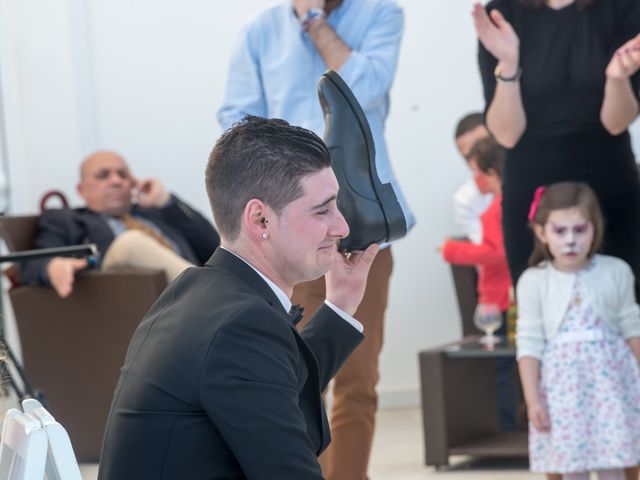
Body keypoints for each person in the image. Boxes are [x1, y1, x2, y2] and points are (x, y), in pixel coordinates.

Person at [98, 116, 379, 479]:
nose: (342, 227)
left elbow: (275, 382)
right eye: (323, 209)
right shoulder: (242, 325)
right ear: (260, 219)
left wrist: (340, 305)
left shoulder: (199, 294)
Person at [217, 1, 414, 478]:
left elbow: (365, 88)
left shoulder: (381, 14)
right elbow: (235, 120)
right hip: (289, 232)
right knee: (294, 379)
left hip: (363, 224)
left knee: (357, 379)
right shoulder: (259, 29)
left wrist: (316, 24)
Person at [472, 0, 640, 304]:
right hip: (532, 194)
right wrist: (509, 65)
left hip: (610, 186)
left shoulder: (623, 8)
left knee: (625, 312)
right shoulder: (503, 13)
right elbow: (506, 134)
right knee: (542, 316)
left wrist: (618, 78)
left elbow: (616, 123)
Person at [517, 181, 640, 480]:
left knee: (615, 464)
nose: (570, 240)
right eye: (560, 231)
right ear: (541, 232)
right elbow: (529, 344)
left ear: (594, 228)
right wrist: (533, 401)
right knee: (572, 468)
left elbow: (631, 328)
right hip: (563, 397)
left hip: (613, 391)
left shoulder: (616, 271)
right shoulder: (534, 281)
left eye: (580, 230)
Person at [19, 151, 220, 297]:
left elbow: (214, 245)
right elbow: (31, 262)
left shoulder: (152, 214)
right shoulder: (67, 219)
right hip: (119, 297)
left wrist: (165, 202)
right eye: (103, 175)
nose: (116, 181)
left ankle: (214, 295)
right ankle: (214, 297)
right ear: (81, 190)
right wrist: (50, 266)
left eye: (123, 175)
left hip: (177, 299)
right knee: (131, 242)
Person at [440, 136, 517, 432]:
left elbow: (496, 252)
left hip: (499, 299)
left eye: (478, 172)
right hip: (502, 297)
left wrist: (452, 251)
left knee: (499, 368)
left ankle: (505, 428)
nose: (475, 179)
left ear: (493, 174)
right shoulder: (510, 203)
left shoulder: (498, 209)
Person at [453, 112, 493, 244]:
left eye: (483, 145)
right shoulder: (464, 200)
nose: (477, 160)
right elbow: (488, 246)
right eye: (468, 157)